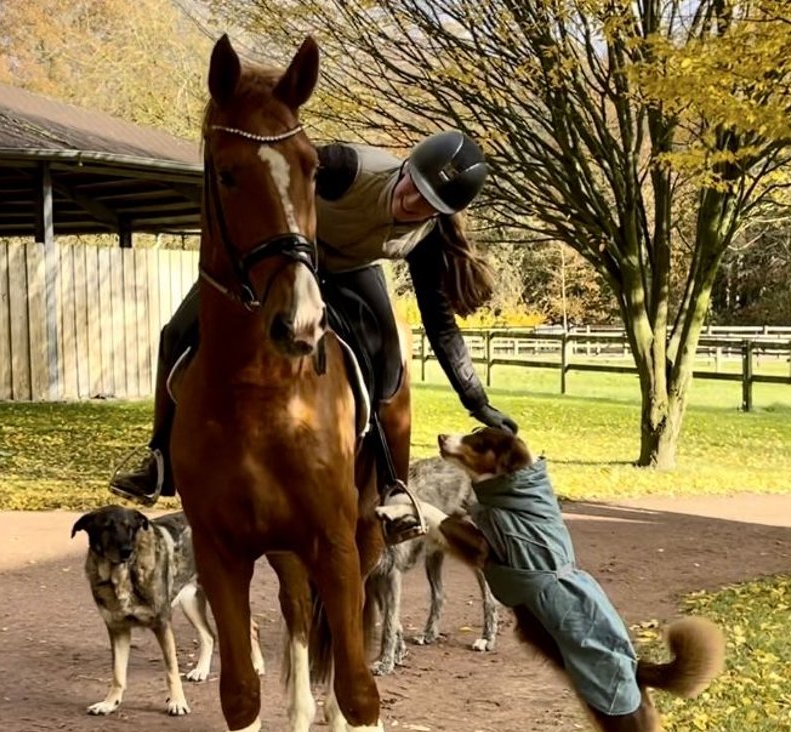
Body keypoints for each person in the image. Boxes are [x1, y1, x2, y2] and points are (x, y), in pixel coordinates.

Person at [109, 130, 518, 538]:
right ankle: (159, 459)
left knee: (391, 365)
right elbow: (282, 169)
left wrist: (476, 400)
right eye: (414, 185)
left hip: (350, 272)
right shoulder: (347, 168)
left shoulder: (428, 238)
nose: (412, 202)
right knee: (176, 331)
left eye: (427, 204)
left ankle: (394, 488)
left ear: (440, 214)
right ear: (406, 166)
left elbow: (440, 324)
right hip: (283, 257)